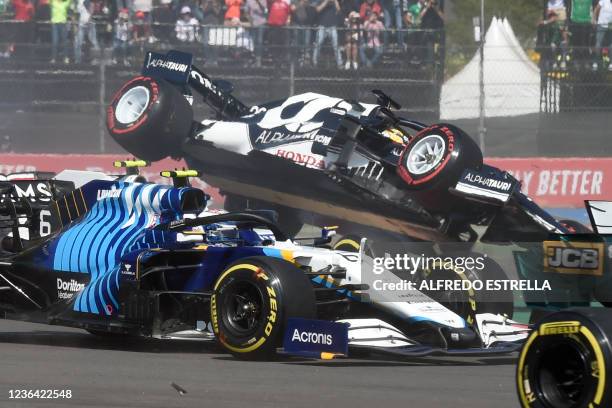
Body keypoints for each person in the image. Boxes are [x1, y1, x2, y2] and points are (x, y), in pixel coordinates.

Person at [312, 0, 342, 68]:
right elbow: (317, 10)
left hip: (332, 26)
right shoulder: (321, 1)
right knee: (318, 43)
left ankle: (340, 63)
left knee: (336, 45)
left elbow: (339, 11)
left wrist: (335, 2)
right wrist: (326, 2)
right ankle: (314, 61)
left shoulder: (335, 2)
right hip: (322, 25)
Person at [569, 0, 594, 67]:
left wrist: (593, 21)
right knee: (576, 43)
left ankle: (586, 61)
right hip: (575, 21)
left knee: (585, 43)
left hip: (586, 22)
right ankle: (576, 61)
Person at [291, 0, 316, 65]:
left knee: (307, 43)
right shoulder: (294, 1)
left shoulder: (309, 2)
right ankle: (296, 60)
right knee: (297, 42)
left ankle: (305, 61)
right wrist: (300, 4)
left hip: (307, 25)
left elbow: (314, 9)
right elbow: (292, 9)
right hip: (296, 24)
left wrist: (306, 4)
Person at [245, 0, 267, 66]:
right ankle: (254, 58)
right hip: (253, 24)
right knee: (253, 41)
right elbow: (246, 11)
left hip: (261, 23)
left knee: (259, 41)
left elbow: (265, 9)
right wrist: (250, 19)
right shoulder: (249, 1)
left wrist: (259, 2)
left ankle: (258, 60)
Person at [594, 0, 612, 70]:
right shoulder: (604, 0)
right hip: (601, 24)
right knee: (598, 44)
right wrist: (594, 19)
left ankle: (611, 63)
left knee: (611, 45)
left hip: (611, 27)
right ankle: (596, 61)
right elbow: (596, 9)